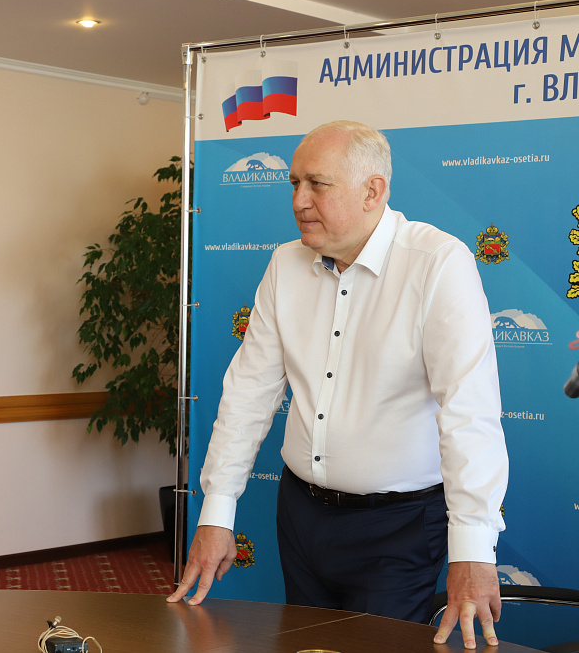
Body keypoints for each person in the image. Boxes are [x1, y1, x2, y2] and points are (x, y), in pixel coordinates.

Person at [167, 121, 509, 650]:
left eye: (317, 184)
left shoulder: (438, 264)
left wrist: (473, 551)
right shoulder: (285, 264)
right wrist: (216, 513)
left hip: (397, 529)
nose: (299, 200)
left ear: (373, 191)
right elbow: (248, 394)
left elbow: (470, 411)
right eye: (294, 183)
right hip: (300, 515)